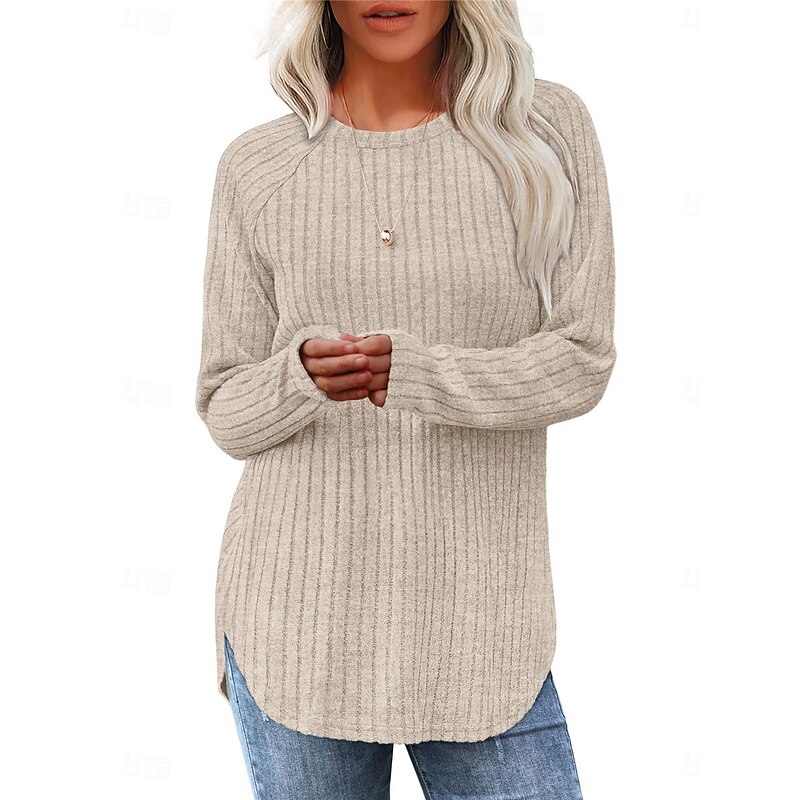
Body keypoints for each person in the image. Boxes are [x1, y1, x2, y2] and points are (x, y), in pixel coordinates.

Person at [195, 1, 616, 797]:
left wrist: (418, 374)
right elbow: (224, 404)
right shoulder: (258, 166)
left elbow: (582, 359)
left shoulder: (544, 131)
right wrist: (299, 377)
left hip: (482, 628)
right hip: (297, 620)